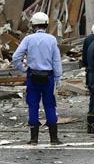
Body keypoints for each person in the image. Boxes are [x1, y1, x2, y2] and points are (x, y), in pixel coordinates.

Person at [12, 12, 63, 145]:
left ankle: (34, 138)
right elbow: (56, 61)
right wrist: (58, 78)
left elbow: (16, 57)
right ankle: (54, 138)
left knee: (33, 105)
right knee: (50, 105)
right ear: (46, 24)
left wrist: (23, 68)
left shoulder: (28, 39)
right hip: (48, 77)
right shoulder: (52, 39)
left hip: (33, 76)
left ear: (33, 25)